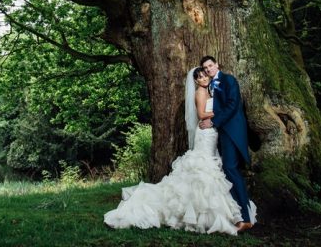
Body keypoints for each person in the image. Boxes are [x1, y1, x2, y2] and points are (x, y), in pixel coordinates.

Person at [103, 67, 246, 235]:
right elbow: (201, 113)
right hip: (205, 134)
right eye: (199, 77)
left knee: (211, 168)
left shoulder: (212, 90)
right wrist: (219, 113)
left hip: (213, 132)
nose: (203, 78)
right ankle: (199, 213)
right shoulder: (200, 92)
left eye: (204, 75)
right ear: (196, 81)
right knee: (203, 168)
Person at [199, 56, 255, 232]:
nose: (208, 69)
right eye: (205, 68)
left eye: (210, 65)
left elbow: (232, 105)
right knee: (228, 170)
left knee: (231, 168)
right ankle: (240, 215)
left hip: (231, 130)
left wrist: (213, 122)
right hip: (220, 134)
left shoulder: (228, 79)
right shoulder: (209, 85)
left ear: (217, 65)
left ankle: (245, 218)